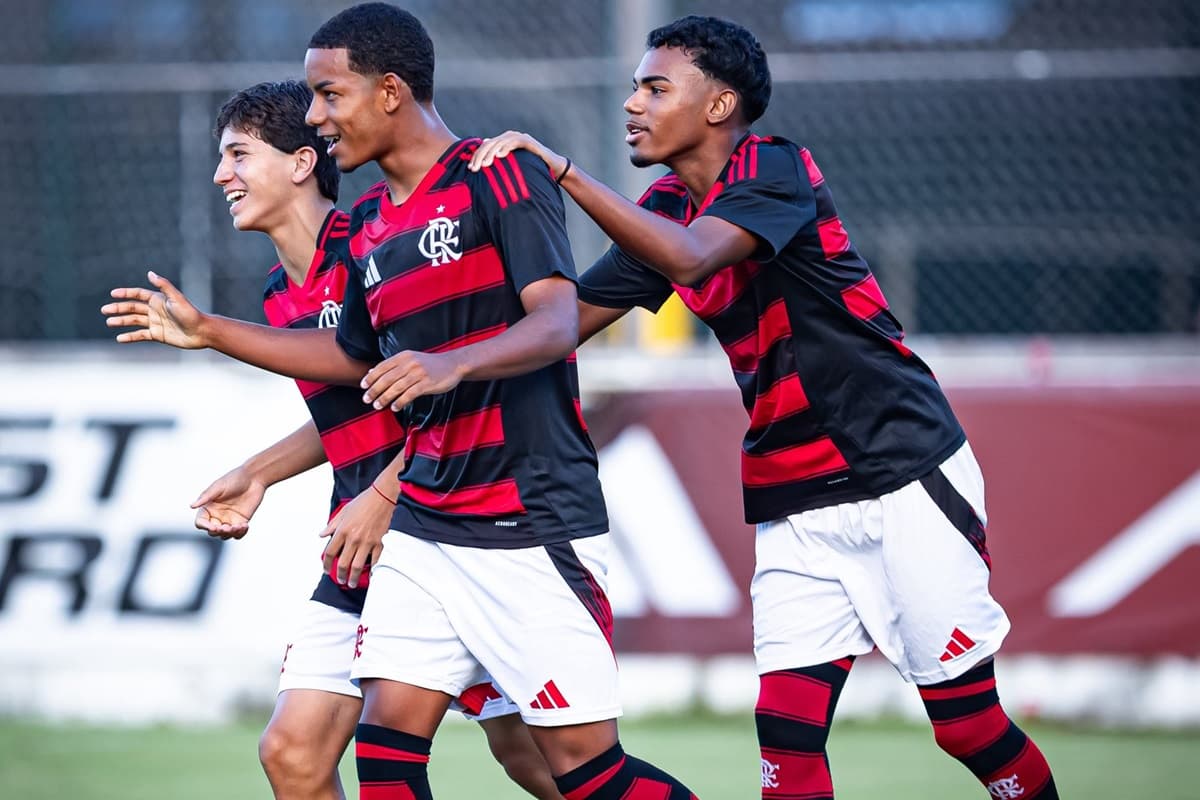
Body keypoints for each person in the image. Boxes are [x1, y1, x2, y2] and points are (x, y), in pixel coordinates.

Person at [447, 14, 1060, 800]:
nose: (632, 103)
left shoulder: (775, 167)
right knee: (785, 747)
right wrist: (443, 351)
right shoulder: (665, 207)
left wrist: (561, 171)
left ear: (717, 107)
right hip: (793, 497)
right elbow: (561, 325)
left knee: (967, 725)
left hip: (901, 469)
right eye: (635, 85)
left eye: (655, 86)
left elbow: (693, 256)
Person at [103, 5, 700, 800]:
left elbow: (555, 322)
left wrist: (443, 372)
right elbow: (353, 363)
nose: (316, 118)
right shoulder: (370, 231)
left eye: (327, 95)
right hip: (422, 531)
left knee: (578, 772)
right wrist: (213, 338)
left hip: (526, 519)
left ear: (388, 92)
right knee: (365, 752)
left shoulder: (494, 173)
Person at [175, 79, 559, 800]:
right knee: (292, 754)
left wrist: (385, 496)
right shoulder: (278, 294)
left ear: (298, 162)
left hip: (438, 529)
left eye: (237, 155)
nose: (222, 174)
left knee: (536, 760)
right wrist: (260, 472)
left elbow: (449, 388)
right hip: (361, 545)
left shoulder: (373, 247)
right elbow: (357, 410)